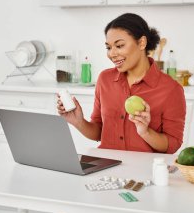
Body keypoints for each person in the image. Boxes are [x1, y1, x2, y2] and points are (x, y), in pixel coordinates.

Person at [57, 13, 186, 154]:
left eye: (119, 45)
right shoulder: (105, 79)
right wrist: (78, 121)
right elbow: (99, 133)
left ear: (142, 43)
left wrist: (145, 132)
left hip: (145, 170)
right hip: (106, 165)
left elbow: (173, 145)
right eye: (108, 47)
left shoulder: (170, 89)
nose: (112, 54)